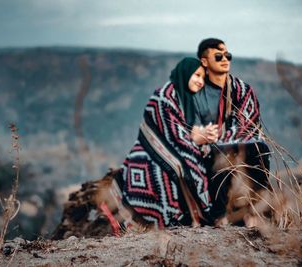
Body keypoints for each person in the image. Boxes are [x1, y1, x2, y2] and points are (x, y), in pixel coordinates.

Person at [114, 57, 217, 229]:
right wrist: (199, 139)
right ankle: (172, 219)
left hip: (172, 151)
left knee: (206, 160)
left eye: (203, 78)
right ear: (185, 73)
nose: (201, 81)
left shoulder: (187, 100)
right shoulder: (163, 97)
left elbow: (186, 133)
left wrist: (205, 137)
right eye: (197, 75)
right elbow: (173, 136)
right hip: (149, 154)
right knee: (175, 170)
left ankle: (194, 215)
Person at [192, 38, 268, 222]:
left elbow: (248, 124)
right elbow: (186, 126)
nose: (225, 59)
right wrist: (200, 137)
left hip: (235, 146)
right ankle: (216, 216)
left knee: (258, 147)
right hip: (202, 150)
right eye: (218, 56)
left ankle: (258, 212)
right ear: (204, 61)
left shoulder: (242, 90)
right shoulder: (195, 92)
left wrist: (218, 137)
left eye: (228, 55)